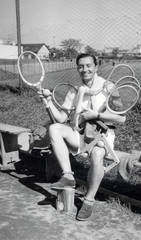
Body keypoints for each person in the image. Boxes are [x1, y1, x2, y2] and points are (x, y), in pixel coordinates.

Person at [39, 53, 126, 221]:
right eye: (81, 66)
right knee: (55, 128)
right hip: (81, 135)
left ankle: (88, 201)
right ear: (77, 68)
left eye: (88, 65)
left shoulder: (109, 87)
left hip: (103, 135)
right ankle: (68, 176)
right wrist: (48, 101)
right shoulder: (75, 91)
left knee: (97, 154)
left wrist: (96, 115)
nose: (84, 69)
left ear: (96, 67)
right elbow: (62, 118)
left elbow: (121, 118)